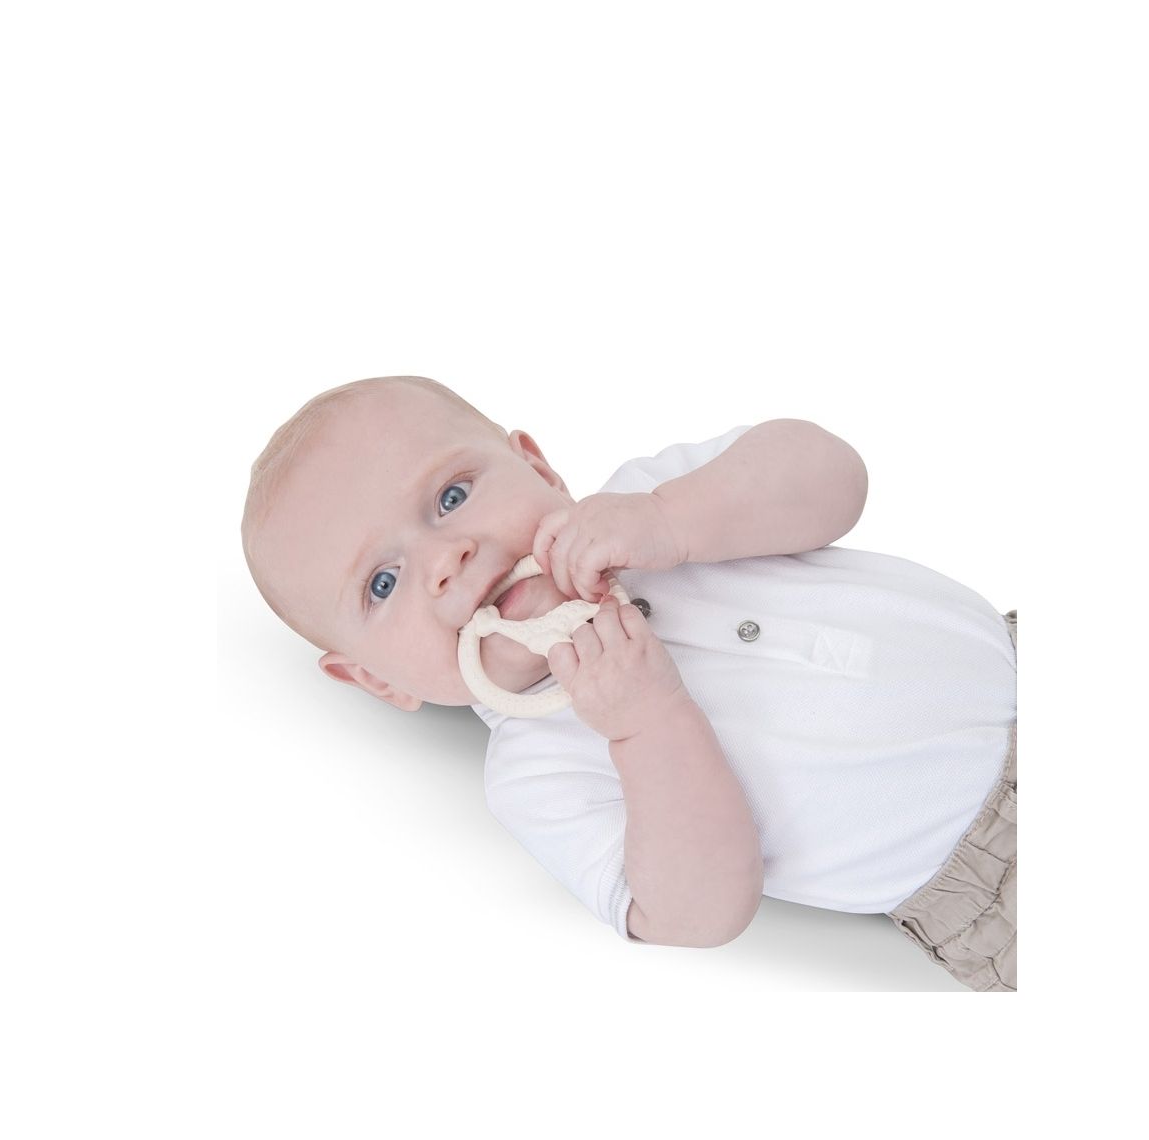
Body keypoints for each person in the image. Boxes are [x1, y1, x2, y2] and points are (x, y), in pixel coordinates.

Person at [240, 375, 1017, 987]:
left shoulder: (650, 499)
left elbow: (834, 474)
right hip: (995, 870)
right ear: (377, 681)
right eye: (383, 583)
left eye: (452, 496)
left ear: (536, 467)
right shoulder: (537, 772)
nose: (447, 559)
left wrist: (672, 518)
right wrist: (647, 724)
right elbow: (696, 916)